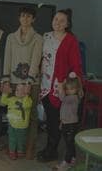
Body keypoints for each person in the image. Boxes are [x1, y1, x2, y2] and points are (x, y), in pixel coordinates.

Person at [37, 9, 83, 162]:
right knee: (50, 120)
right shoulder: (45, 36)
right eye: (56, 19)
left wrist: (72, 87)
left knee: (56, 121)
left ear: (68, 24)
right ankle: (51, 148)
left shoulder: (71, 40)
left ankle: (52, 150)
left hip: (60, 88)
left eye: (62, 20)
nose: (58, 23)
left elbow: (76, 66)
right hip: (44, 85)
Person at [3, 6, 43, 159]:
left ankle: (29, 146)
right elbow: (7, 58)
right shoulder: (11, 37)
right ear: (19, 18)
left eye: (28, 16)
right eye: (23, 16)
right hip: (13, 81)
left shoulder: (38, 38)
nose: (25, 19)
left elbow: (35, 60)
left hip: (31, 83)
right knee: (13, 113)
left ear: (33, 19)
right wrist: (5, 80)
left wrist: (29, 82)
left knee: (31, 114)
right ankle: (13, 145)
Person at [55, 72, 82, 170]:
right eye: (67, 89)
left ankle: (66, 162)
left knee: (69, 144)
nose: (69, 91)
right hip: (66, 123)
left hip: (71, 125)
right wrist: (62, 122)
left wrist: (61, 86)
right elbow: (64, 111)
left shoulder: (74, 98)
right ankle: (73, 158)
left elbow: (61, 97)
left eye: (71, 89)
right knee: (68, 143)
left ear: (77, 89)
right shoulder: (68, 97)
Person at [1, 82, 32, 160]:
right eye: (17, 90)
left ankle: (20, 151)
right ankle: (12, 152)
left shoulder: (28, 100)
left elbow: (25, 105)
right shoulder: (12, 99)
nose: (19, 92)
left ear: (27, 91)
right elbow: (3, 102)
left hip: (22, 126)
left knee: (21, 139)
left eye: (22, 90)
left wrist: (26, 95)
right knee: (12, 138)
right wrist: (5, 93)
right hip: (11, 124)